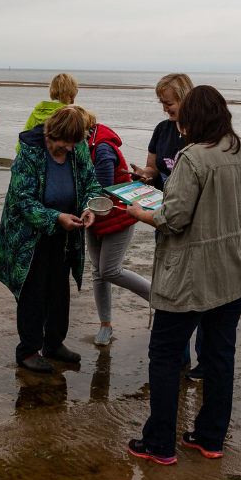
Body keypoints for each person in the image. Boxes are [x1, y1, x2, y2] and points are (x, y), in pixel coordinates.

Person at [122, 85, 241, 464]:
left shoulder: (193, 159)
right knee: (220, 352)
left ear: (193, 119)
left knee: (166, 354)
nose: (180, 125)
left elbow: (172, 219)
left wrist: (140, 212)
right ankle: (210, 438)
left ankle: (159, 444)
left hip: (190, 274)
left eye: (183, 117)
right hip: (236, 270)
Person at [0, 105, 98, 373]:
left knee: (59, 291)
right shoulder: (29, 152)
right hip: (31, 237)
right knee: (33, 292)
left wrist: (88, 207)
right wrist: (55, 217)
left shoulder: (78, 147)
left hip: (65, 235)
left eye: (75, 143)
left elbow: (91, 184)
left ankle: (54, 344)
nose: (70, 149)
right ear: (51, 133)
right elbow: (22, 201)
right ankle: (28, 351)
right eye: (64, 143)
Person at [133, 72, 205, 378]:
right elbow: (153, 168)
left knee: (201, 291)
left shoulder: (202, 132)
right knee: (172, 288)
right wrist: (146, 175)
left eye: (169, 102)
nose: (165, 108)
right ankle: (180, 356)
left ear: (186, 98)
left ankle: (205, 360)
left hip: (198, 224)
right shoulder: (162, 129)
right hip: (163, 218)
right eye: (162, 102)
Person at [83, 109, 150, 346]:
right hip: (93, 215)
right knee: (97, 271)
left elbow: (101, 190)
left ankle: (157, 298)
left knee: (109, 270)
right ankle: (105, 325)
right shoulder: (86, 144)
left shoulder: (101, 148)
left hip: (117, 214)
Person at [15, 72, 78, 153]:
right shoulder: (71, 116)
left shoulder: (37, 112)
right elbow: (79, 150)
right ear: (72, 92)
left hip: (35, 161)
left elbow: (21, 144)